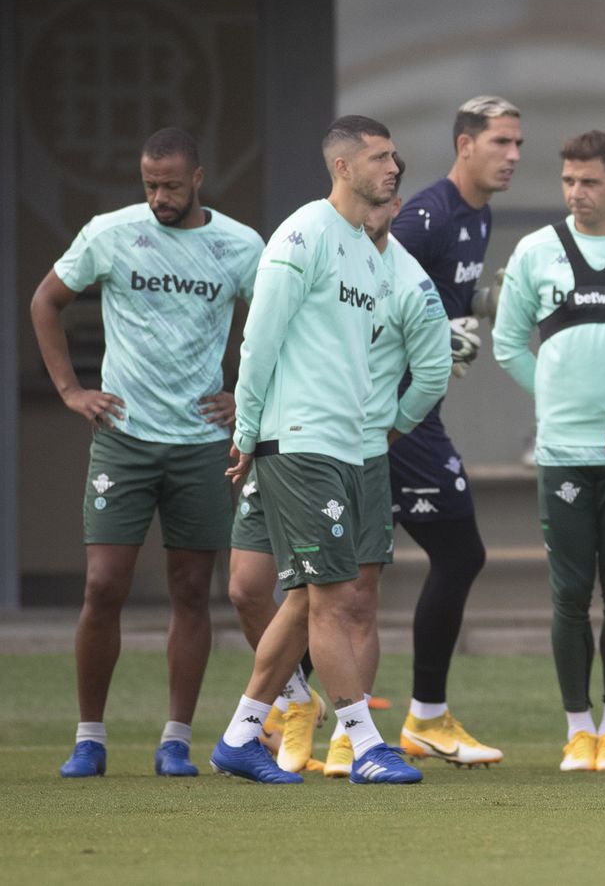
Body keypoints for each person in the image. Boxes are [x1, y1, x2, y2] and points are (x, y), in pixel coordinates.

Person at [35, 128, 262, 779]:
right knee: (103, 585)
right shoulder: (110, 232)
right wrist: (71, 390)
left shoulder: (241, 245)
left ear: (198, 179)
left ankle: (175, 739)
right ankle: (89, 738)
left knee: (192, 590)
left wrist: (246, 401)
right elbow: (46, 301)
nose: (159, 197)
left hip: (198, 445)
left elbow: (281, 322)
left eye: (170, 185)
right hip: (124, 439)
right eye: (149, 185)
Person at [208, 115, 420, 785]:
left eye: (394, 157)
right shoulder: (302, 235)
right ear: (343, 166)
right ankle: (366, 746)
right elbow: (259, 342)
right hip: (296, 443)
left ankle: (241, 737)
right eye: (381, 158)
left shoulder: (367, 251)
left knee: (303, 600)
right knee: (331, 595)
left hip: (343, 448)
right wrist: (246, 434)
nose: (394, 168)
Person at [494, 130, 605, 772]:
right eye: (567, 182)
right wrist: (553, 397)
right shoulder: (535, 251)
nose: (576, 194)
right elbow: (507, 344)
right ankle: (577, 729)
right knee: (567, 594)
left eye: (589, 182)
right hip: (561, 451)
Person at [387, 96, 522, 764]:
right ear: (464, 144)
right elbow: (372, 309)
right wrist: (440, 338)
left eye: (518, 143)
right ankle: (423, 719)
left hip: (417, 412)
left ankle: (287, 710)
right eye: (501, 142)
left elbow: (446, 302)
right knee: (456, 555)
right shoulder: (425, 217)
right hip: (390, 415)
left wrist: (483, 307)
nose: (514, 156)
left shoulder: (479, 215)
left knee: (351, 574)